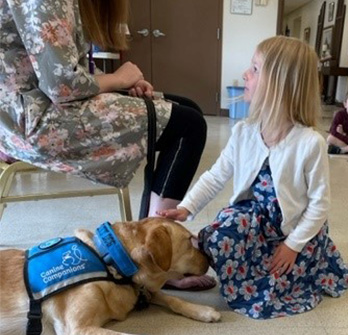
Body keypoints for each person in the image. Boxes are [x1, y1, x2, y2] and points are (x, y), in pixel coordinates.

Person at [159, 36, 348, 319]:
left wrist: (292, 245)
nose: (245, 74)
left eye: (255, 68)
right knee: (213, 236)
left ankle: (271, 270)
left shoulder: (310, 143)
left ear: (280, 84)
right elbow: (216, 176)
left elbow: (319, 206)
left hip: (293, 229)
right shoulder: (244, 132)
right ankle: (248, 273)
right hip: (254, 219)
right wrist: (187, 207)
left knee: (279, 276)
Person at [0, 0, 207, 218]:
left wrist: (123, 82)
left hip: (39, 106)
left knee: (186, 109)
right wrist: (117, 79)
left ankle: (149, 230)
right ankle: (153, 237)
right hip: (30, 120)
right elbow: (63, 85)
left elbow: (72, 71)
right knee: (188, 126)